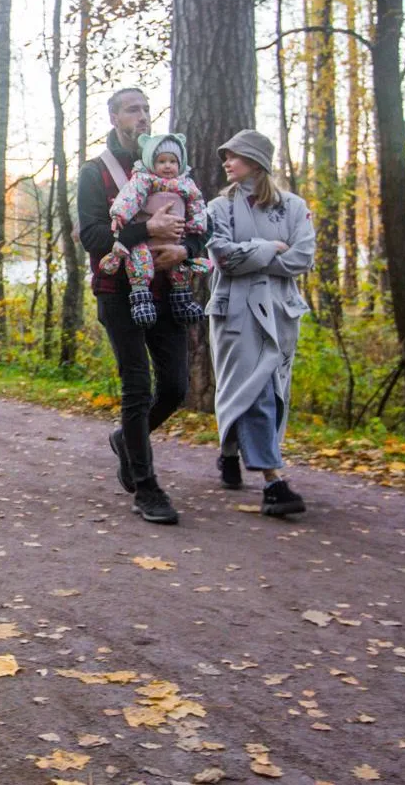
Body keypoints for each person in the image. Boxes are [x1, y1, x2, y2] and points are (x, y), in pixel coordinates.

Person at [78, 88, 207, 525]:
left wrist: (186, 250)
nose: (144, 116)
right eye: (134, 109)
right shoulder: (96, 173)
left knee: (174, 388)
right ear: (115, 117)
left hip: (168, 288)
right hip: (119, 290)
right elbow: (93, 238)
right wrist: (144, 229)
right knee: (136, 385)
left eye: (148, 108)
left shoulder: (174, 172)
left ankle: (125, 440)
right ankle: (146, 486)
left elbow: (198, 230)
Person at [205, 129, 315, 517]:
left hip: (281, 311)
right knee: (253, 390)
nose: (226, 162)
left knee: (272, 389)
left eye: (233, 155)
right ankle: (273, 482)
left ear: (255, 161)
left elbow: (302, 257)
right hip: (236, 311)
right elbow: (222, 257)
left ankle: (230, 451)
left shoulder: (294, 206)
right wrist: (270, 248)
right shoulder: (218, 209)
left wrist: (250, 255)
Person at [103, 133, 211, 326]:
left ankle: (183, 301)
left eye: (172, 161)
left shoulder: (187, 184)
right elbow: (130, 197)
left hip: (175, 241)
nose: (167, 166)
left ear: (181, 164)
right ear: (151, 163)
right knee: (139, 261)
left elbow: (198, 204)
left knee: (180, 269)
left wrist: (197, 225)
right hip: (145, 241)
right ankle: (142, 299)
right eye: (161, 161)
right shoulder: (144, 180)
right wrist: (119, 214)